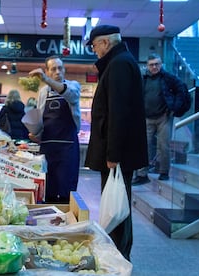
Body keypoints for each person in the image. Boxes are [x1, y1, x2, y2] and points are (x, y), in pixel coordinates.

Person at [84, 25, 148, 261]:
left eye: (94, 46)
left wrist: (113, 154)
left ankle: (119, 258)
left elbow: (118, 113)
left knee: (118, 207)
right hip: (118, 151)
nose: (95, 51)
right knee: (117, 204)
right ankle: (118, 255)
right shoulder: (120, 62)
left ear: (105, 43)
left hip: (117, 154)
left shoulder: (119, 64)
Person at [28, 55, 81, 203]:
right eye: (53, 69)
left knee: (66, 191)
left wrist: (46, 79)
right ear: (48, 71)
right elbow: (40, 117)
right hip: (48, 148)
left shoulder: (73, 86)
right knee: (48, 190)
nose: (58, 72)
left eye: (60, 68)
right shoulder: (43, 92)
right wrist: (36, 133)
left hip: (68, 147)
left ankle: (67, 222)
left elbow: (72, 96)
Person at [132, 53, 186, 185]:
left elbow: (182, 90)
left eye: (157, 64)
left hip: (164, 117)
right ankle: (142, 174)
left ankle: (164, 172)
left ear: (161, 64)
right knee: (143, 147)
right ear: (147, 66)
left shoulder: (169, 78)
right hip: (146, 117)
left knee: (164, 146)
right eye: (151, 64)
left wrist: (174, 107)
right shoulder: (143, 78)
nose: (154, 67)